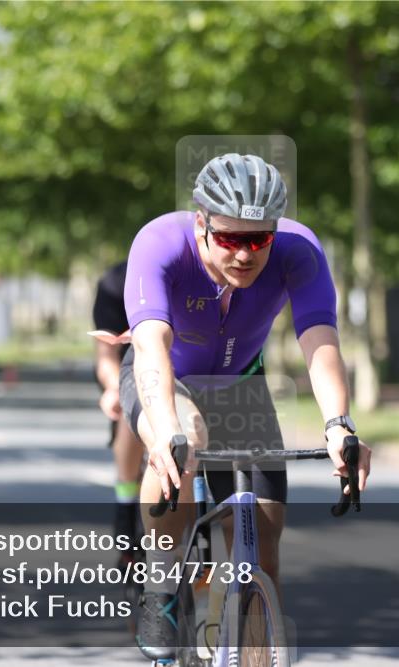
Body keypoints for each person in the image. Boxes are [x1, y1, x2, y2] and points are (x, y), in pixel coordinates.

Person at [120, 153, 372, 661]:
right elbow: (151, 346)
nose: (244, 254)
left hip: (241, 385)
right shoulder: (160, 243)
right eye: (231, 238)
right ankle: (162, 585)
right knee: (183, 435)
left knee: (263, 548)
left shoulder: (299, 251)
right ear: (201, 223)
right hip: (166, 379)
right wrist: (168, 430)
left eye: (258, 239)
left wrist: (338, 425)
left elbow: (319, 340)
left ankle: (247, 635)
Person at [92, 261, 146, 570]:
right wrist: (114, 388)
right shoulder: (115, 284)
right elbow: (105, 355)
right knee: (130, 411)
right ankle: (126, 499)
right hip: (125, 368)